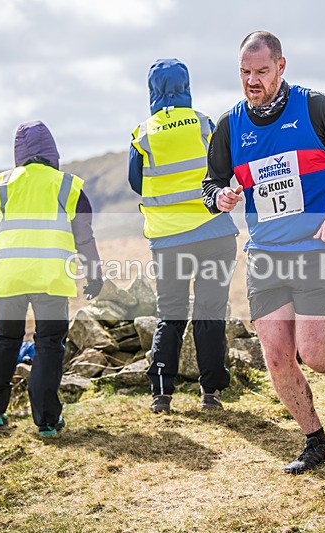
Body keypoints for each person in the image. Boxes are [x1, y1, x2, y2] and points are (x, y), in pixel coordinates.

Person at [203, 31, 325, 474]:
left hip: (317, 249)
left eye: (261, 71)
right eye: (244, 72)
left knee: (315, 352)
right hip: (265, 255)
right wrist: (220, 197)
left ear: (281, 67)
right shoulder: (230, 125)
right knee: (278, 358)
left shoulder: (314, 106)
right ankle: (316, 441)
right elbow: (210, 185)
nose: (252, 81)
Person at [0, 120, 103, 436]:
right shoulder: (67, 185)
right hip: (50, 277)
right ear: (52, 151)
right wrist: (94, 274)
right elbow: (84, 236)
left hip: (10, 277)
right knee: (49, 343)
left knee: (5, 340)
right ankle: (47, 419)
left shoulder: (3, 185)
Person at [129, 59, 239, 413]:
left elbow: (136, 183)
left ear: (152, 91)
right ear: (187, 86)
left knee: (171, 314)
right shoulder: (205, 124)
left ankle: (162, 394)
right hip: (215, 233)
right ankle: (211, 394)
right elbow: (227, 168)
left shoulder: (143, 134)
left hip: (168, 240)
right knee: (211, 311)